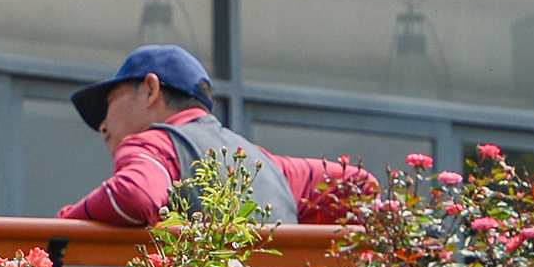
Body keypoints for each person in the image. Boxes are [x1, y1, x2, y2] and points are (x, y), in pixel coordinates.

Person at [58, 45, 376, 226]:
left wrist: (68, 221)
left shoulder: (154, 145)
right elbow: (360, 185)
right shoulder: (265, 164)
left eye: (110, 102)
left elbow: (135, 195)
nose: (102, 126)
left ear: (150, 90)